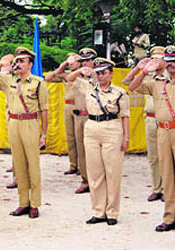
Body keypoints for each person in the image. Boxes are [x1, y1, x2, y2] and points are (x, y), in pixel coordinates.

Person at [129, 45, 175, 235]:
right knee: (167, 175)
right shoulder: (156, 82)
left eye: (174, 61)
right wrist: (143, 70)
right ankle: (168, 217)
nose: (170, 65)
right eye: (168, 61)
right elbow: (131, 86)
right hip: (163, 131)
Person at [67, 58, 130, 226]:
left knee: (112, 172)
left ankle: (112, 212)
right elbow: (69, 79)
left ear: (111, 74)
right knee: (95, 172)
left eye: (104, 73)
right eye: (98, 73)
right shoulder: (88, 87)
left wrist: (126, 137)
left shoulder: (119, 92)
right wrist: (81, 71)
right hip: (92, 127)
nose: (101, 76)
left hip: (112, 128)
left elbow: (125, 116)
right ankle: (98, 211)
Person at [0, 47, 49, 218]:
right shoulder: (9, 80)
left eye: (22, 61)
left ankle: (35, 204)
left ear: (30, 64)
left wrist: (43, 134)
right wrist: (1, 63)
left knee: (33, 166)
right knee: (19, 165)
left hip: (30, 123)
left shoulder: (38, 82)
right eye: (16, 61)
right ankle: (23, 203)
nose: (18, 64)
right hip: (14, 123)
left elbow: (44, 110)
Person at [123, 47, 166, 202]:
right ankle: (157, 188)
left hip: (166, 121)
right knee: (153, 157)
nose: (155, 60)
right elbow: (127, 82)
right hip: (150, 119)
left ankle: (168, 189)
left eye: (159, 57)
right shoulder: (148, 77)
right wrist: (139, 68)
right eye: (153, 57)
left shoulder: (171, 76)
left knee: (167, 158)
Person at [63, 48, 98, 194]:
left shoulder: (100, 76)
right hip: (79, 116)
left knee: (96, 151)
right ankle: (85, 180)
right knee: (82, 150)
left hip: (94, 117)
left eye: (88, 61)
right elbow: (68, 78)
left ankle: (97, 180)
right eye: (82, 61)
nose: (85, 63)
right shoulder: (78, 79)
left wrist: (93, 73)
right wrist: (80, 71)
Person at [45, 53, 80, 176]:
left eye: (73, 62)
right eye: (69, 62)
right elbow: (48, 78)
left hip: (80, 106)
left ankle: (82, 166)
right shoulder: (65, 75)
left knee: (79, 137)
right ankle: (73, 165)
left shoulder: (83, 74)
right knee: (70, 137)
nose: (71, 64)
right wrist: (63, 65)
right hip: (68, 105)